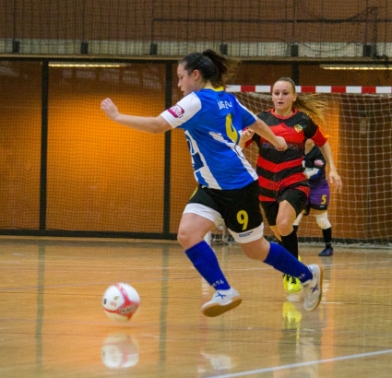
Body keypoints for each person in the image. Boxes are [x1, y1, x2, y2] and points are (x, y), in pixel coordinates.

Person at [100, 50, 323, 317]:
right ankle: (224, 290)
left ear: (196, 75)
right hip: (209, 186)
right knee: (187, 234)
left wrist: (117, 117)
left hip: (236, 186)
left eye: (182, 77)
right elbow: (255, 121)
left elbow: (157, 125)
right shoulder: (227, 99)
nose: (179, 84)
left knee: (256, 250)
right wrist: (276, 140)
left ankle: (307, 275)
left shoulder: (195, 101)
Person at [239, 77, 340, 300]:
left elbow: (322, 142)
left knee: (285, 224)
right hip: (265, 187)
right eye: (276, 93)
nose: (280, 97)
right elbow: (238, 145)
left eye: (285, 93)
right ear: (271, 96)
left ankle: (293, 274)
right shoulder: (260, 121)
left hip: (295, 182)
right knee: (280, 234)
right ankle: (295, 262)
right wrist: (242, 138)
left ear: (294, 97)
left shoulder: (303, 121)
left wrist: (332, 168)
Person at [297, 140, 335, 256]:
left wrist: (301, 175)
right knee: (294, 218)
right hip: (302, 187)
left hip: (319, 188)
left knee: (322, 220)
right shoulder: (297, 149)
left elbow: (317, 172)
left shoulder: (319, 152)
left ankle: (328, 247)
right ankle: (289, 247)